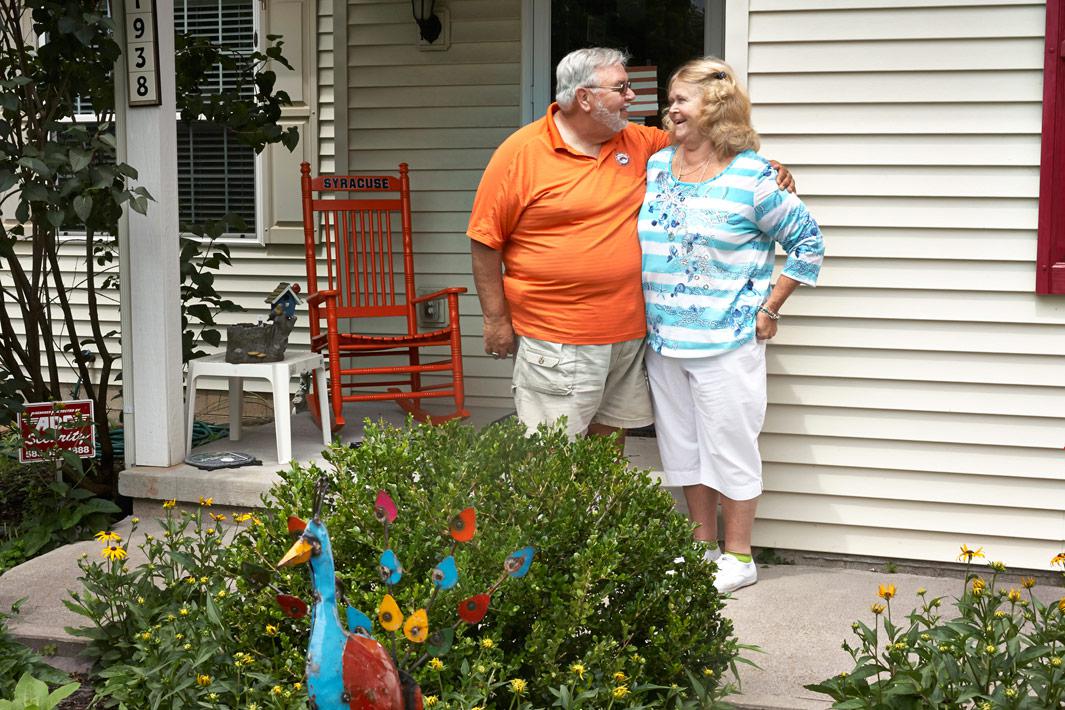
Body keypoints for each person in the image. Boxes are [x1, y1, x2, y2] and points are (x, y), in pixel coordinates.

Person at [467, 48, 793, 443]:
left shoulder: (641, 143)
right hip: (556, 336)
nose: (632, 96)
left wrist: (764, 167)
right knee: (553, 457)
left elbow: (706, 144)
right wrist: (495, 319)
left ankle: (600, 508)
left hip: (628, 337)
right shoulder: (521, 153)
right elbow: (485, 240)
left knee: (608, 450)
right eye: (621, 87)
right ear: (584, 98)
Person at [638, 57, 824, 593]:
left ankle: (738, 557)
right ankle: (700, 550)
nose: (670, 108)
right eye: (669, 99)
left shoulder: (754, 177)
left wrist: (770, 308)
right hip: (665, 339)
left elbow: (808, 245)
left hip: (728, 339)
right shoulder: (656, 166)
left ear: (714, 107)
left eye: (681, 100)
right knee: (683, 448)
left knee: (730, 447)